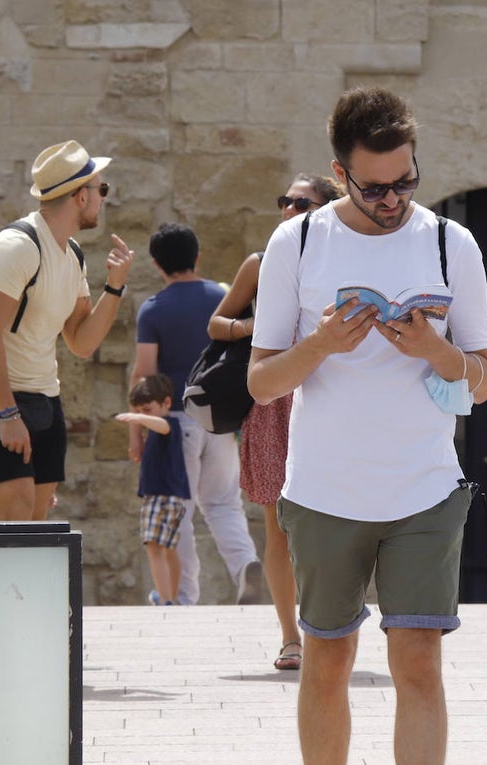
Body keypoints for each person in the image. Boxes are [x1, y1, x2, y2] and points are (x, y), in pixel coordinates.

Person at [248, 86, 487, 764]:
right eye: (375, 188)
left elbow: (484, 375)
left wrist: (436, 352)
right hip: (325, 490)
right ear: (340, 175)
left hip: (426, 486)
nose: (393, 201)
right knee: (327, 658)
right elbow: (261, 381)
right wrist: (322, 345)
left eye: (405, 183)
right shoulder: (296, 242)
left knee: (417, 662)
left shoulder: (452, 243)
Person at [207, 172, 345, 669]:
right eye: (284, 201)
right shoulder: (261, 263)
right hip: (273, 402)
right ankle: (291, 637)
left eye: (301, 204)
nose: (288, 210)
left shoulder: (342, 259)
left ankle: (329, 624)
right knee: (278, 526)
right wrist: (256, 326)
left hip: (330, 398)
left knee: (336, 520)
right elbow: (217, 323)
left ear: (326, 210)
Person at [0, 140, 133, 521]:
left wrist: (115, 286)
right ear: (79, 197)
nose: (105, 198)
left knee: (35, 524)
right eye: (101, 189)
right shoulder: (16, 248)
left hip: (44, 398)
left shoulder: (72, 256)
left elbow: (81, 342)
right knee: (17, 516)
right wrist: (7, 414)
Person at [131, 222, 263, 606]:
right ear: (197, 256)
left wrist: (136, 430)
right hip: (219, 417)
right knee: (223, 502)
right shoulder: (221, 295)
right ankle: (245, 567)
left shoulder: (152, 310)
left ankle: (183, 594)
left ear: (157, 264)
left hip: (173, 421)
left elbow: (145, 373)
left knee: (179, 509)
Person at [116, 374, 190, 606]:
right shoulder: (155, 430)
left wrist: (137, 417)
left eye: (147, 409)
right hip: (171, 498)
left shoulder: (169, 425)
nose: (142, 416)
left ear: (166, 403)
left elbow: (162, 424)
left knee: (154, 547)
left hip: (161, 497)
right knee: (168, 549)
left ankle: (166, 598)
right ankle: (170, 596)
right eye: (139, 410)